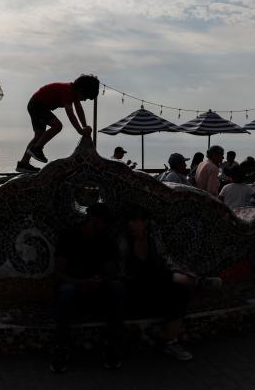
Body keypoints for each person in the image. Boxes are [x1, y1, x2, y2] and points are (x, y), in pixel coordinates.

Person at [119, 207, 222, 362]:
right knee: (164, 277)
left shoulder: (152, 237)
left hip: (158, 284)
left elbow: (165, 258)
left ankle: (171, 342)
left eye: (137, 221)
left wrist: (179, 269)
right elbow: (123, 271)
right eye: (131, 221)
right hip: (135, 286)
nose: (133, 224)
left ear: (145, 222)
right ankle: (199, 282)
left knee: (179, 292)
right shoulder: (123, 241)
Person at [51, 203, 125, 372]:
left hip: (97, 289)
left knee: (118, 287)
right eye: (104, 222)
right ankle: (61, 347)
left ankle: (111, 344)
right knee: (66, 291)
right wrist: (79, 283)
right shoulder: (68, 237)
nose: (107, 227)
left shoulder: (106, 241)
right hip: (73, 288)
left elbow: (111, 272)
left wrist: (99, 281)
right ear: (93, 220)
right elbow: (59, 273)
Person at [17, 75, 99, 173]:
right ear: (81, 90)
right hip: (37, 105)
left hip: (36, 104)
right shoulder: (68, 91)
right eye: (86, 97)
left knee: (39, 135)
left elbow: (79, 109)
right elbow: (70, 112)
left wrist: (84, 125)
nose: (85, 100)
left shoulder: (73, 92)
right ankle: (37, 149)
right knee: (57, 126)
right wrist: (80, 130)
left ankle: (23, 164)